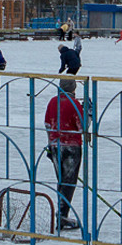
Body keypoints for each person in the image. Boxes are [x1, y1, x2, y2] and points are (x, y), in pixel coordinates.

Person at [44, 78, 86, 230]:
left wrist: (50, 143)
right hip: (71, 146)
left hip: (55, 145)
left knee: (61, 180)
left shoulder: (52, 102)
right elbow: (82, 127)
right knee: (69, 182)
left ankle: (62, 213)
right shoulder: (74, 103)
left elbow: (48, 124)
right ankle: (62, 215)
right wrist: (88, 113)